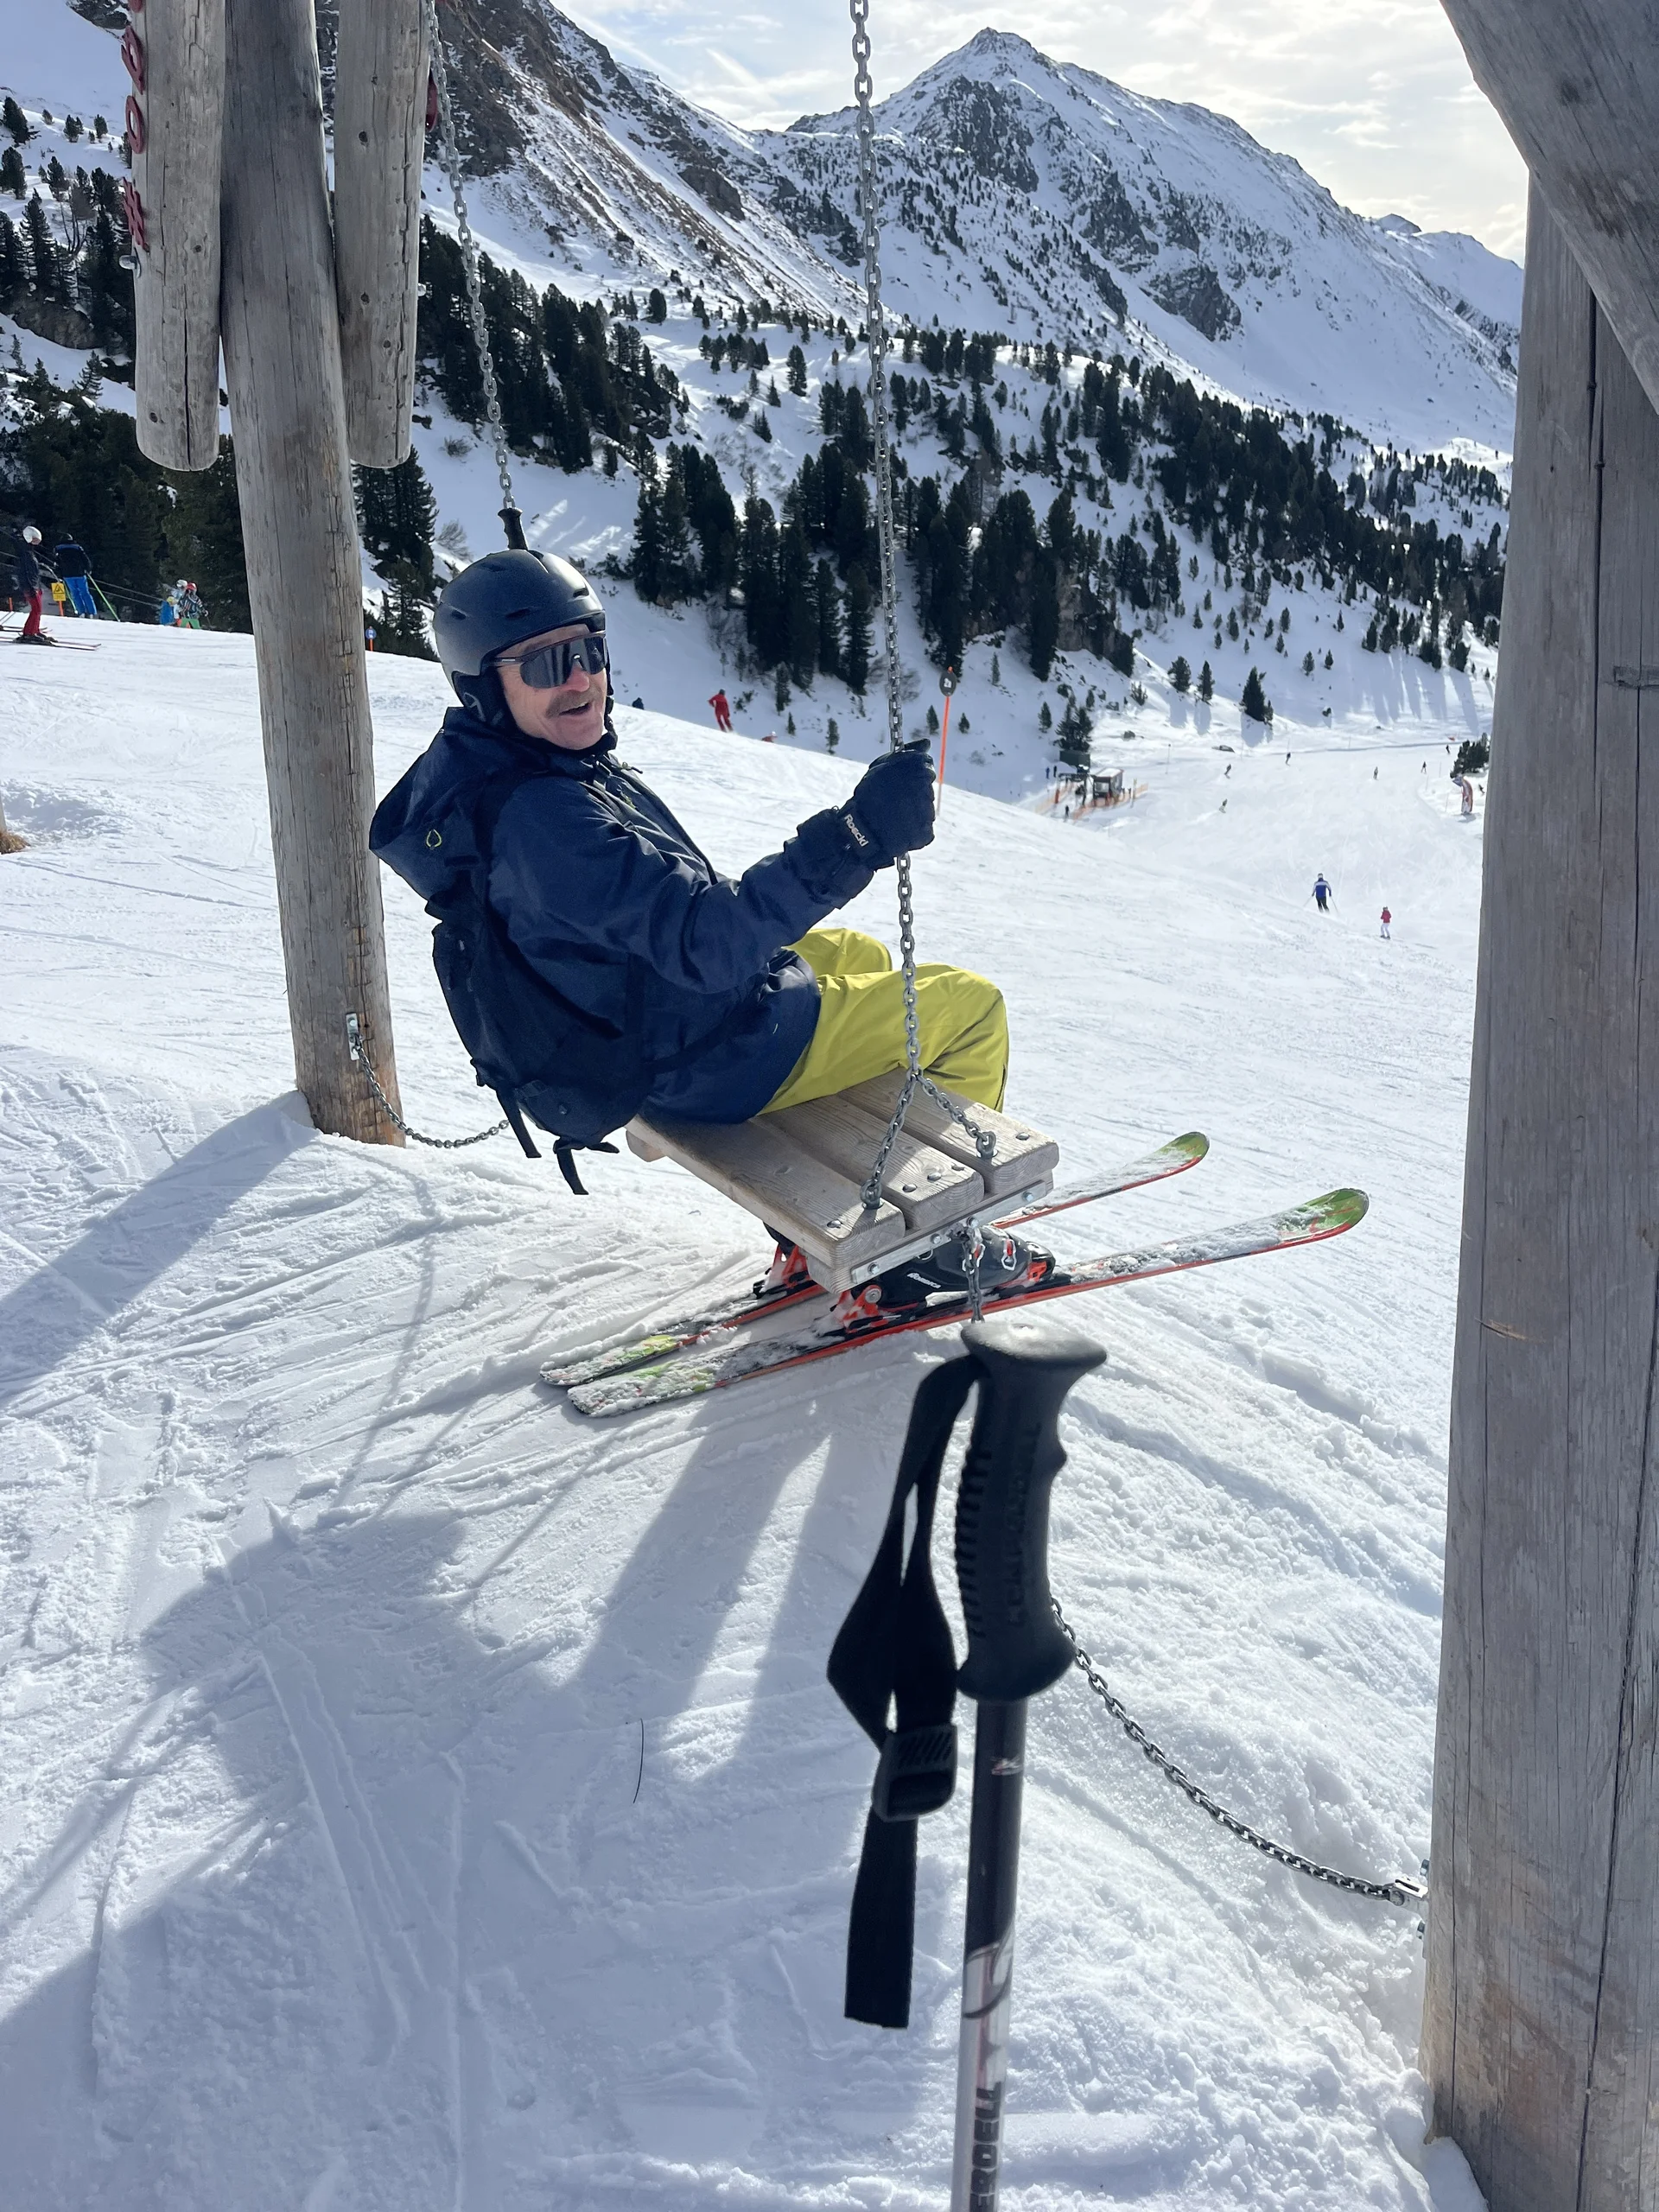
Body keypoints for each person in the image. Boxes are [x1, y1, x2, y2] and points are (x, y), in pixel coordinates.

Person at [370, 551, 1048, 1315]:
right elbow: (708, 941)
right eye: (544, 664)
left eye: (589, 649)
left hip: (640, 1021)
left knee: (859, 956)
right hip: (701, 1054)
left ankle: (840, 1208)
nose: (580, 678)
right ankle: (918, 1252)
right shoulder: (545, 821)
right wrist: (857, 838)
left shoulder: (503, 768)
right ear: (484, 688)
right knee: (969, 1006)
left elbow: (673, 923)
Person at [10, 523, 46, 641]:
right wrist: (31, 587)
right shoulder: (25, 553)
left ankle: (35, 630)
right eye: (35, 540)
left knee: (38, 609)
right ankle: (29, 633)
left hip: (34, 584)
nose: (37, 543)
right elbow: (26, 572)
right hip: (29, 585)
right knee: (36, 609)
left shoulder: (29, 551)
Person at [54, 535, 98, 618]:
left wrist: (59, 574)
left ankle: (81, 612)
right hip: (79, 573)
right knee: (85, 592)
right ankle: (92, 612)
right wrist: (88, 569)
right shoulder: (77, 548)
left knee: (75, 593)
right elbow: (85, 559)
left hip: (67, 575)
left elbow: (56, 564)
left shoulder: (58, 549)